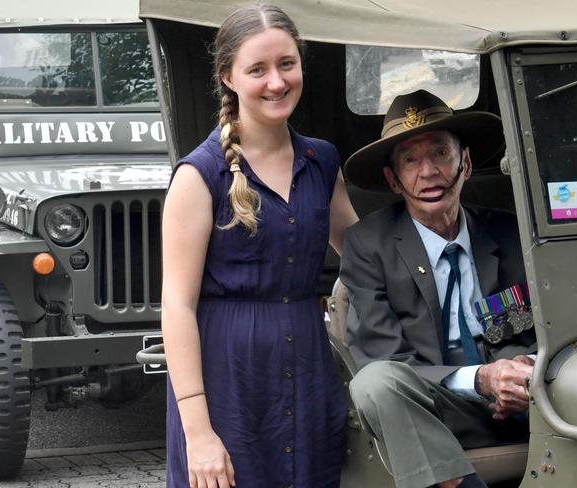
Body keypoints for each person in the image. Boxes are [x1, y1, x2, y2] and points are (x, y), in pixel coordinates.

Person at [161, 4, 358, 488]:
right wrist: (199, 433)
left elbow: (363, 255)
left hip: (309, 373)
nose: (276, 82)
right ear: (228, 77)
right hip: (228, 380)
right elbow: (176, 306)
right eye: (257, 69)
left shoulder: (321, 161)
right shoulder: (198, 175)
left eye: (287, 64)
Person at [340, 90, 536, 488]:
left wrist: (521, 371)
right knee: (374, 383)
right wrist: (481, 379)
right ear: (393, 180)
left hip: (522, 403)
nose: (428, 171)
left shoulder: (509, 232)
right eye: (410, 160)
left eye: (440, 154)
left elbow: (537, 329)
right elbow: (384, 359)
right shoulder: (367, 245)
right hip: (431, 409)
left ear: (464, 162)